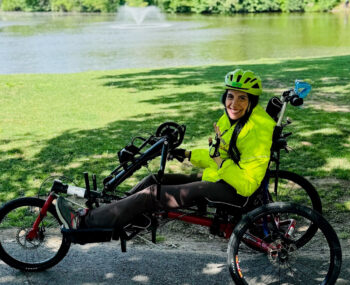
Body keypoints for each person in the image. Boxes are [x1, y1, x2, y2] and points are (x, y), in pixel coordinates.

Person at [56, 69, 276, 230]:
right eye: (230, 96)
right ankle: (125, 217)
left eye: (242, 98)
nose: (233, 103)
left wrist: (218, 160)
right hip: (221, 178)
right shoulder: (235, 120)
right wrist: (188, 154)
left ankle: (85, 221)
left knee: (152, 195)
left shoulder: (256, 132)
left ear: (252, 102)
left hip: (236, 193)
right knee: (153, 180)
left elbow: (246, 184)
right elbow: (220, 154)